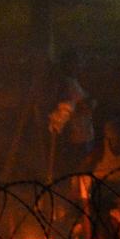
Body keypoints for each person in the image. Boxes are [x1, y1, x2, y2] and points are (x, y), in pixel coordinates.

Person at [47, 49, 97, 179]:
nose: (79, 65)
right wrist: (88, 104)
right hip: (77, 135)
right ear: (68, 64)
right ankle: (78, 197)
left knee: (81, 171)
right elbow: (69, 107)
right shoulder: (66, 83)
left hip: (83, 132)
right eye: (76, 62)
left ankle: (80, 195)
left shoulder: (74, 82)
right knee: (79, 170)